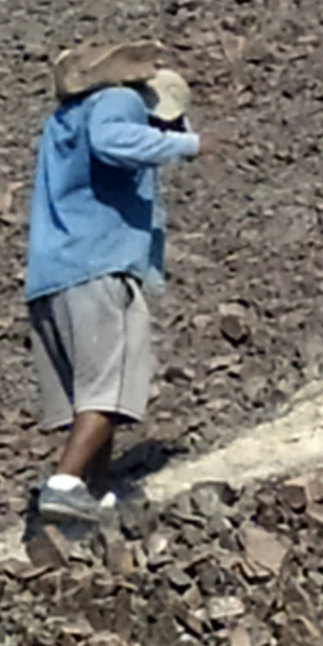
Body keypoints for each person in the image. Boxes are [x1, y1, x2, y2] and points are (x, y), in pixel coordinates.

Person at [24, 40, 199, 527]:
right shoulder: (119, 102)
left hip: (51, 274)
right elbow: (113, 141)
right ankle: (64, 485)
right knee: (111, 384)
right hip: (99, 266)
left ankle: (96, 496)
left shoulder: (64, 118)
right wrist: (189, 144)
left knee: (91, 397)